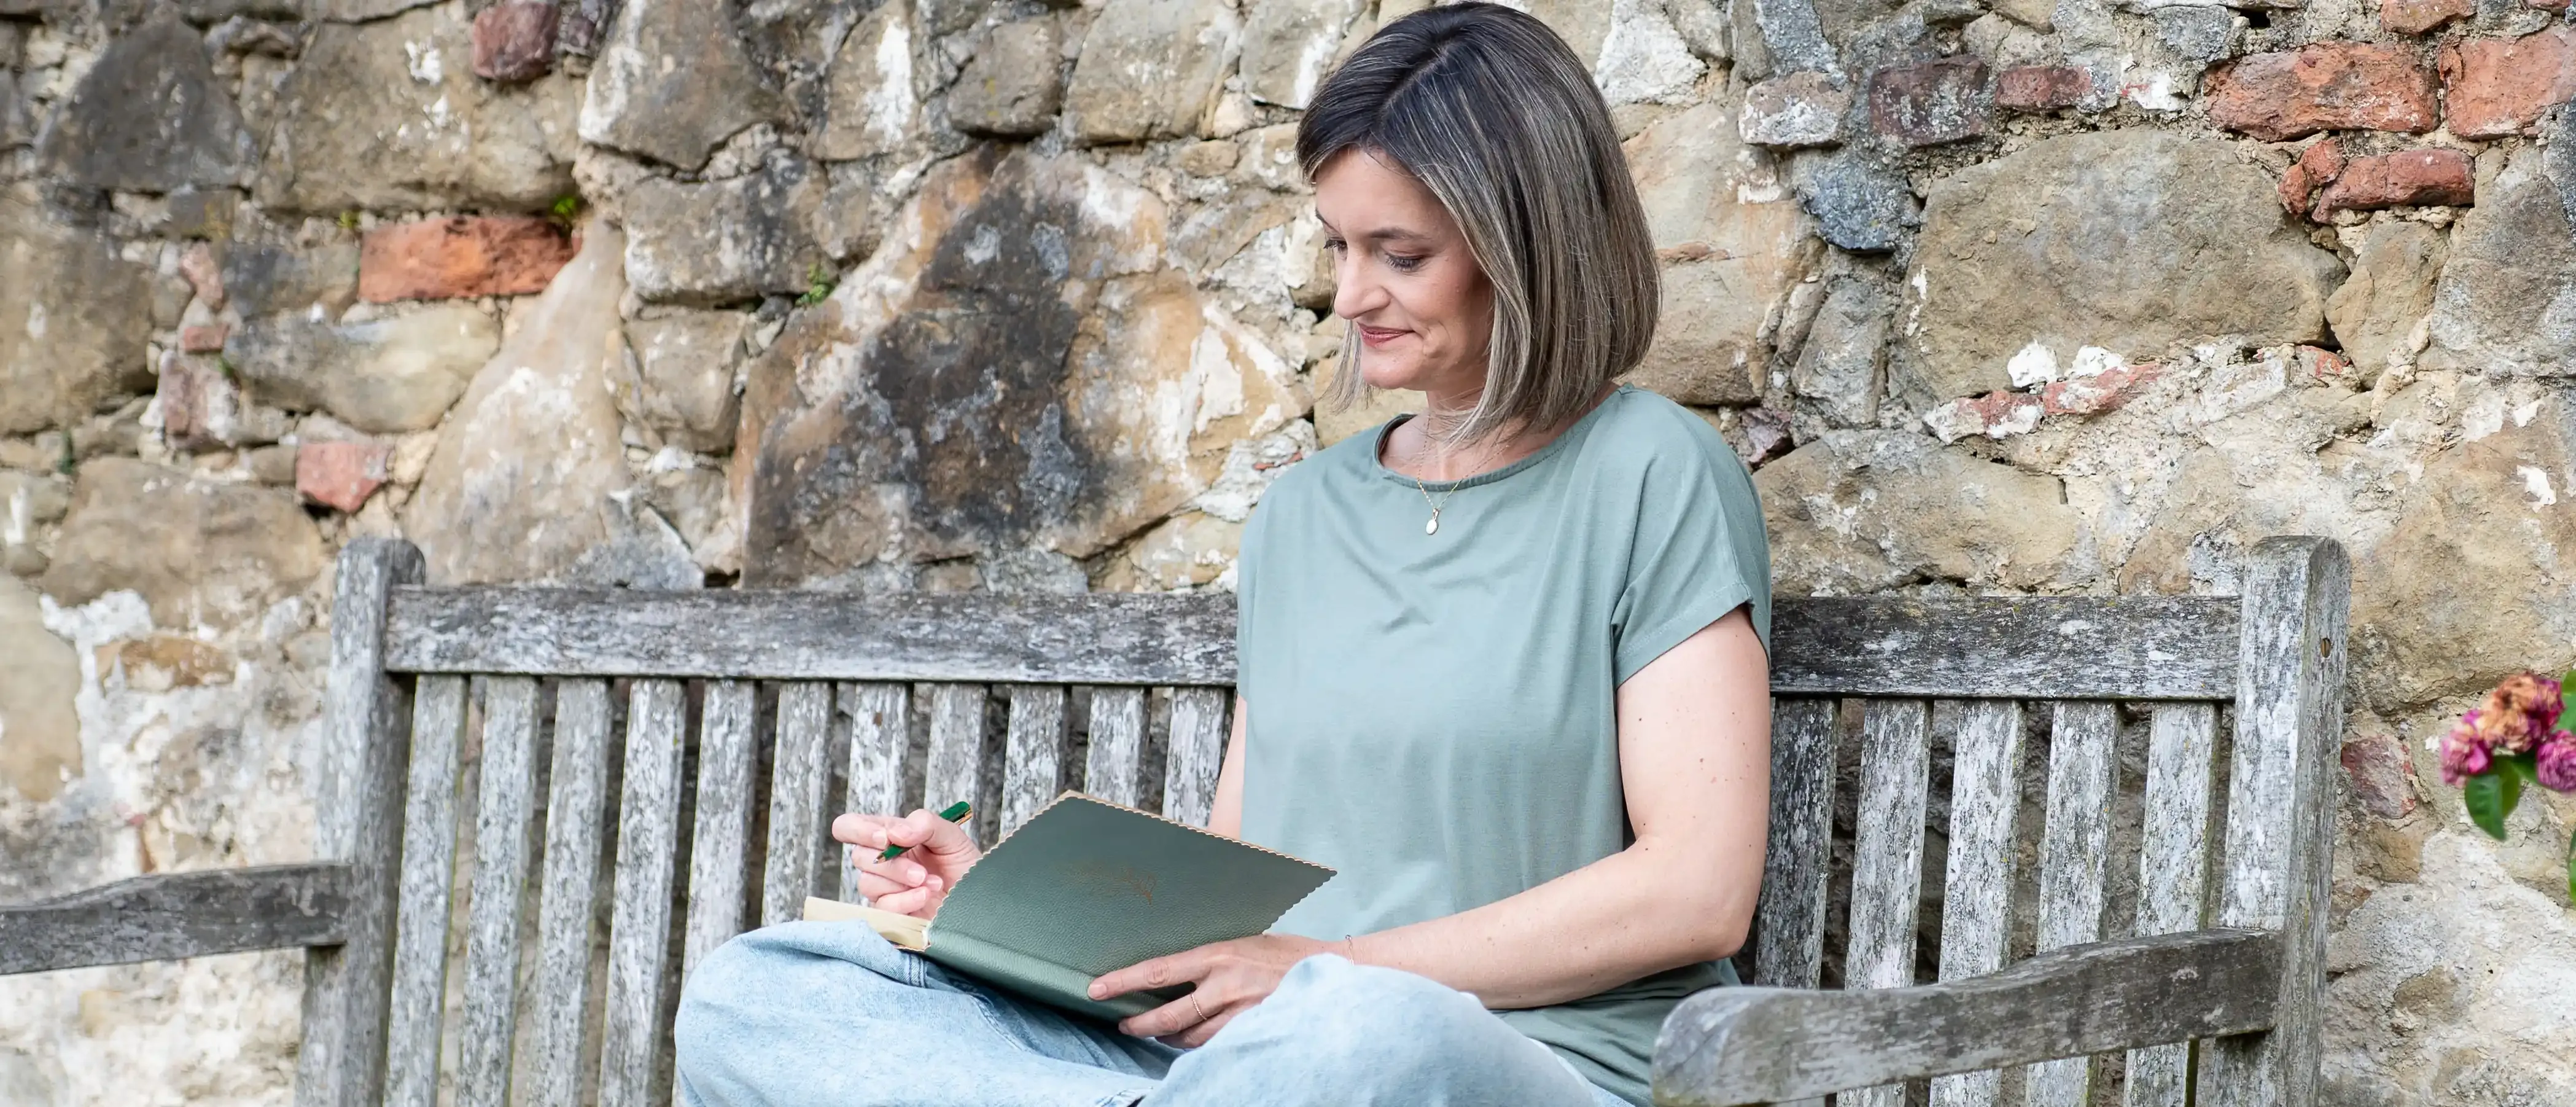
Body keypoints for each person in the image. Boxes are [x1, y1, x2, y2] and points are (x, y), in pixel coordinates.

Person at [671, 5, 1775, 1105]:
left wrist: (1331, 971)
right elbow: (1233, 898)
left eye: (1400, 255)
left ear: (1527, 246)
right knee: (763, 989)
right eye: (1339, 246)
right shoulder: (1303, 516)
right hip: (1241, 1065)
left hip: (1492, 1057)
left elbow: (1697, 889)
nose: (1351, 296)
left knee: (1374, 1034)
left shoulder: (1652, 476)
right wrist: (1010, 920)